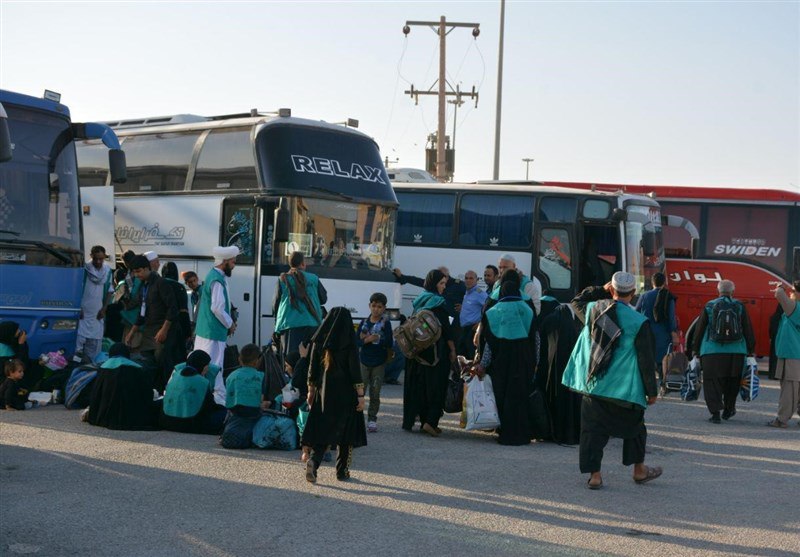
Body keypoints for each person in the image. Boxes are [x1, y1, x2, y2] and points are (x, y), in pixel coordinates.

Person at [562, 272, 661, 490]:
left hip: (595, 385)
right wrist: (652, 391)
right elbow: (646, 360)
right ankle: (639, 470)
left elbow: (577, 300)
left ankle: (595, 475)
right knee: (636, 429)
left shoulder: (594, 311)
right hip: (625, 390)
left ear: (612, 290)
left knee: (591, 431)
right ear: (633, 293)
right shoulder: (639, 322)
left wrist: (600, 289)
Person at [301, 307, 367, 483]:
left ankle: (314, 462)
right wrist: (361, 395)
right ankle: (342, 471)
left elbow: (312, 368)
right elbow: (355, 371)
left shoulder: (319, 341)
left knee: (324, 431)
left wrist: (311, 390)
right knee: (346, 434)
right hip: (346, 394)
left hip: (324, 394)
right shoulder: (348, 342)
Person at [476, 270, 537, 445]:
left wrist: (483, 363)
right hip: (524, 359)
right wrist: (536, 362)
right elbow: (536, 338)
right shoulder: (527, 308)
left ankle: (505, 432)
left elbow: (488, 341)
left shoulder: (494, 310)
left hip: (501, 361)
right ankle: (521, 434)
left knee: (503, 395)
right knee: (520, 396)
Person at [690, 279, 755, 424]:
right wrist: (751, 349)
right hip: (737, 351)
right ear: (733, 292)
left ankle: (715, 414)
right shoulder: (739, 306)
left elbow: (699, 329)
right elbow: (747, 328)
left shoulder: (710, 305)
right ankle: (728, 409)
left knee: (712, 381)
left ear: (718, 291)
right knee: (733, 381)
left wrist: (695, 349)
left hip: (712, 351)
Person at [401, 269, 457, 437]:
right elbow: (446, 330)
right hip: (436, 353)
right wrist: (453, 350)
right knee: (436, 386)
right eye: (441, 284)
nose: (443, 287)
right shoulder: (438, 302)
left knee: (422, 386)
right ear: (434, 284)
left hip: (420, 351)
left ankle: (421, 420)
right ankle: (430, 422)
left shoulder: (420, 300)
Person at [125, 254, 179, 392]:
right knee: (148, 364)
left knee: (163, 363)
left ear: (146, 268)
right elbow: (141, 312)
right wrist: (132, 332)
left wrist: (164, 330)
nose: (136, 275)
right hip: (148, 331)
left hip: (162, 330)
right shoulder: (143, 286)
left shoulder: (161, 283)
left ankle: (166, 392)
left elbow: (172, 308)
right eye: (134, 272)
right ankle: (152, 391)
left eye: (138, 271)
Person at [535, 296, 582, 445]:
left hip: (551, 375)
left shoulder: (548, 321)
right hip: (570, 375)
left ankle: (550, 430)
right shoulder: (569, 323)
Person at [195, 246, 239, 405]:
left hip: (207, 331)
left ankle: (217, 399)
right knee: (214, 368)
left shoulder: (214, 276)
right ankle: (218, 402)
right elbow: (217, 308)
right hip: (213, 333)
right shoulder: (217, 280)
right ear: (225, 262)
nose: (234, 265)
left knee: (209, 367)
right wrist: (230, 324)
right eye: (233, 262)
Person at [87, 343, 159, 430]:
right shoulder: (137, 368)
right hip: (132, 417)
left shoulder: (103, 368)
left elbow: (96, 394)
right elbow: (146, 393)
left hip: (106, 416)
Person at [273, 251, 327, 361]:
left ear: (290, 264)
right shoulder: (314, 279)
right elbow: (324, 299)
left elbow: (276, 304)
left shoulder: (283, 279)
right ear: (303, 264)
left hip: (289, 326)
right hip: (312, 325)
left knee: (290, 362)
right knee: (310, 360)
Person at [159, 350, 225, 434]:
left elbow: (220, 393)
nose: (208, 368)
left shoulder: (214, 371)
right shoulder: (202, 381)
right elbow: (210, 405)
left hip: (168, 421)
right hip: (192, 423)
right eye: (207, 365)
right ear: (204, 366)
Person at [356, 292, 393, 433]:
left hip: (379, 362)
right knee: (360, 391)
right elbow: (356, 341)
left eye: (379, 306)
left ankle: (372, 418)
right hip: (364, 361)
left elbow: (389, 342)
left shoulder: (385, 323)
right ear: (369, 306)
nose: (376, 309)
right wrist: (366, 340)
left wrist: (377, 339)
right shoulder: (364, 323)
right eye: (374, 306)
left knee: (375, 391)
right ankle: (357, 417)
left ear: (384, 308)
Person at [767, 280, 800, 428]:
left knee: (789, 389)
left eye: (792, 291)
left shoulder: (795, 307)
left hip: (792, 354)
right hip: (794, 353)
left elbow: (779, 294)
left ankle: (782, 419)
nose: (790, 293)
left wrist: (781, 287)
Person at [394, 266, 466, 328]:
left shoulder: (459, 285)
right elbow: (418, 281)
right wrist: (402, 277)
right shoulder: (434, 284)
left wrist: (464, 306)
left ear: (446, 276)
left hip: (453, 320)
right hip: (436, 322)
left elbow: (471, 297)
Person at [76, 245, 114, 363]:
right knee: (78, 349)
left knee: (94, 349)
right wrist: (78, 307)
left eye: (101, 259)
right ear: (91, 256)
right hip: (82, 314)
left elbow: (110, 292)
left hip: (97, 314)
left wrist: (104, 308)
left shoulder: (107, 271)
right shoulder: (84, 269)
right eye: (96, 258)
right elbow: (76, 289)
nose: (98, 262)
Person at [635, 272, 680, 372]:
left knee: (648, 364)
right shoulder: (669, 297)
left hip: (647, 334)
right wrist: (674, 333)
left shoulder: (644, 296)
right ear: (664, 283)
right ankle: (663, 385)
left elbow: (636, 314)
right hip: (664, 335)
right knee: (663, 366)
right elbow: (671, 317)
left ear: (652, 283)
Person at [225, 343, 265, 418]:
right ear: (257, 361)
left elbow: (228, 399)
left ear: (239, 359)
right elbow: (262, 399)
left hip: (235, 414)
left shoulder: (231, 376)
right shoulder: (261, 376)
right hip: (254, 413)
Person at [162, 262, 191, 360]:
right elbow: (184, 312)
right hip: (175, 328)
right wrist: (188, 333)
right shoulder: (179, 287)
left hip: (158, 327)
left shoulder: (158, 284)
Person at [457, 270, 488, 359]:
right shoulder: (467, 292)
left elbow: (489, 308)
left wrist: (480, 323)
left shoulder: (480, 294)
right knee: (462, 357)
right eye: (466, 278)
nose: (468, 280)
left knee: (471, 356)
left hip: (472, 330)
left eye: (471, 278)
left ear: (476, 280)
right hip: (464, 330)